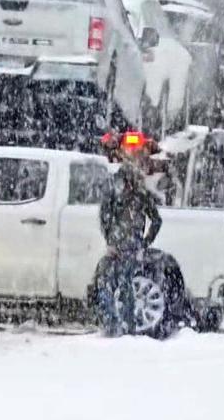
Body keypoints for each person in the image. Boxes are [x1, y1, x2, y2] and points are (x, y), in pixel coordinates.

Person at [94, 132, 163, 336]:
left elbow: (104, 215)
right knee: (126, 284)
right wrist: (144, 242)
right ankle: (128, 325)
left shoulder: (114, 189)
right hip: (132, 244)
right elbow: (156, 219)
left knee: (107, 282)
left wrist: (110, 240)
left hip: (119, 242)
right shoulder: (142, 193)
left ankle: (112, 324)